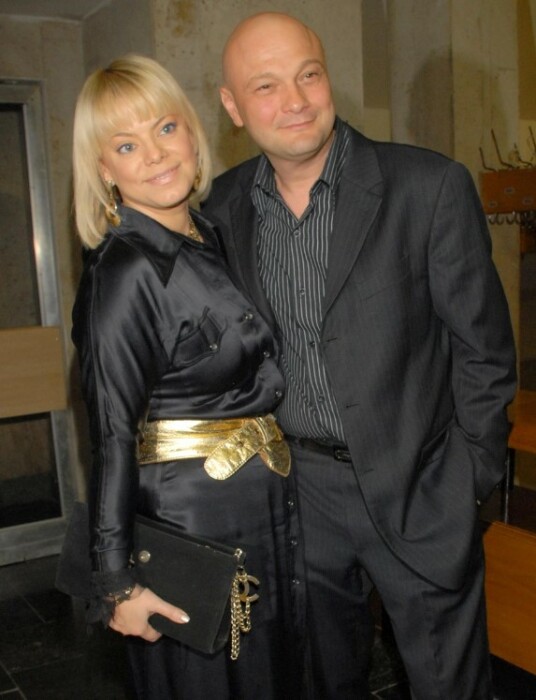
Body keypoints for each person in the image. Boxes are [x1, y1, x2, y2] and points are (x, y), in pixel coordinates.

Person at [203, 12, 517, 700]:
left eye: (308, 75)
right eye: (265, 86)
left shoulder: (428, 187)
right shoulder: (221, 208)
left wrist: (468, 480)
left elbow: (486, 352)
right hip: (298, 497)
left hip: (422, 486)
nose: (295, 100)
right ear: (232, 106)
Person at [70, 53, 300, 700]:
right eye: (125, 144)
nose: (154, 154)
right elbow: (110, 433)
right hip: (189, 523)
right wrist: (116, 583)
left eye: (165, 128)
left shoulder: (211, 234)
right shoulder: (123, 273)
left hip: (258, 504)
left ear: (192, 132)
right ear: (103, 169)